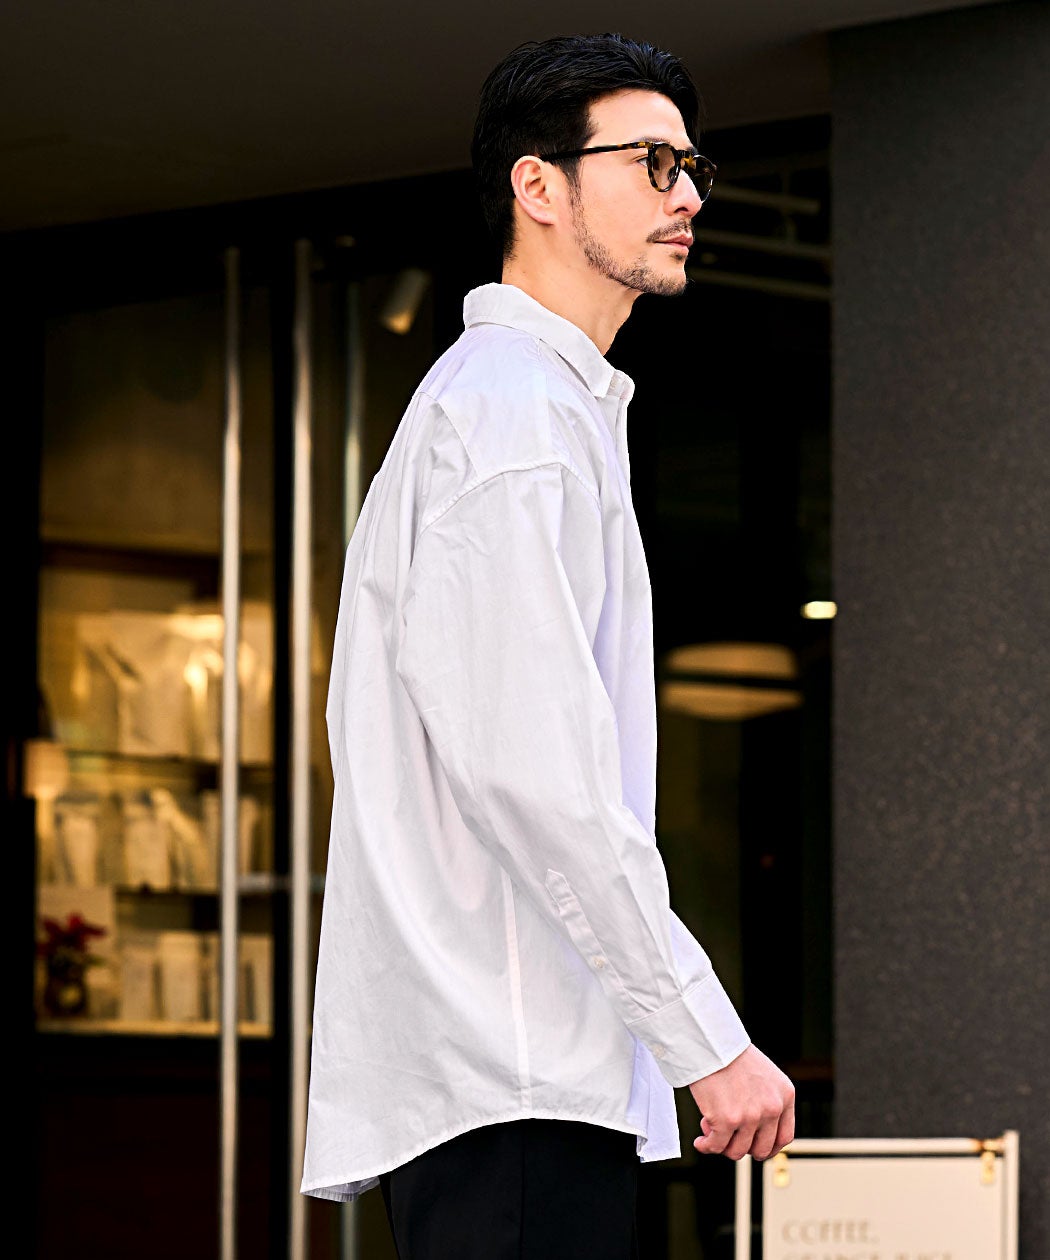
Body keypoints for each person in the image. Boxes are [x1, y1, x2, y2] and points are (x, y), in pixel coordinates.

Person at [301, 32, 795, 1258]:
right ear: (539, 186)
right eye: (652, 162)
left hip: (516, 1072)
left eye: (693, 166)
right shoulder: (514, 420)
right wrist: (706, 1038)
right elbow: (541, 779)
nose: (688, 195)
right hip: (512, 1068)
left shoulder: (533, 407)